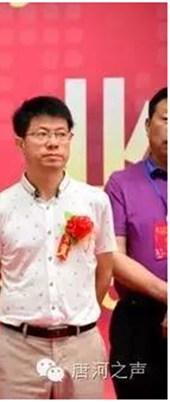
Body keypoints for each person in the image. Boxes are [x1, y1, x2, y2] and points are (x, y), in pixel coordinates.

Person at [0, 96, 116, 399]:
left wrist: (79, 315)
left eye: (60, 134)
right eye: (41, 134)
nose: (53, 143)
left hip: (82, 343)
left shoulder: (95, 201)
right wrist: (24, 319)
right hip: (19, 348)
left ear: (70, 139)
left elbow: (105, 269)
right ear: (20, 142)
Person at [104, 87, 167, 399]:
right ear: (147, 125)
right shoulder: (122, 184)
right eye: (166, 119)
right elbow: (114, 257)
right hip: (139, 320)